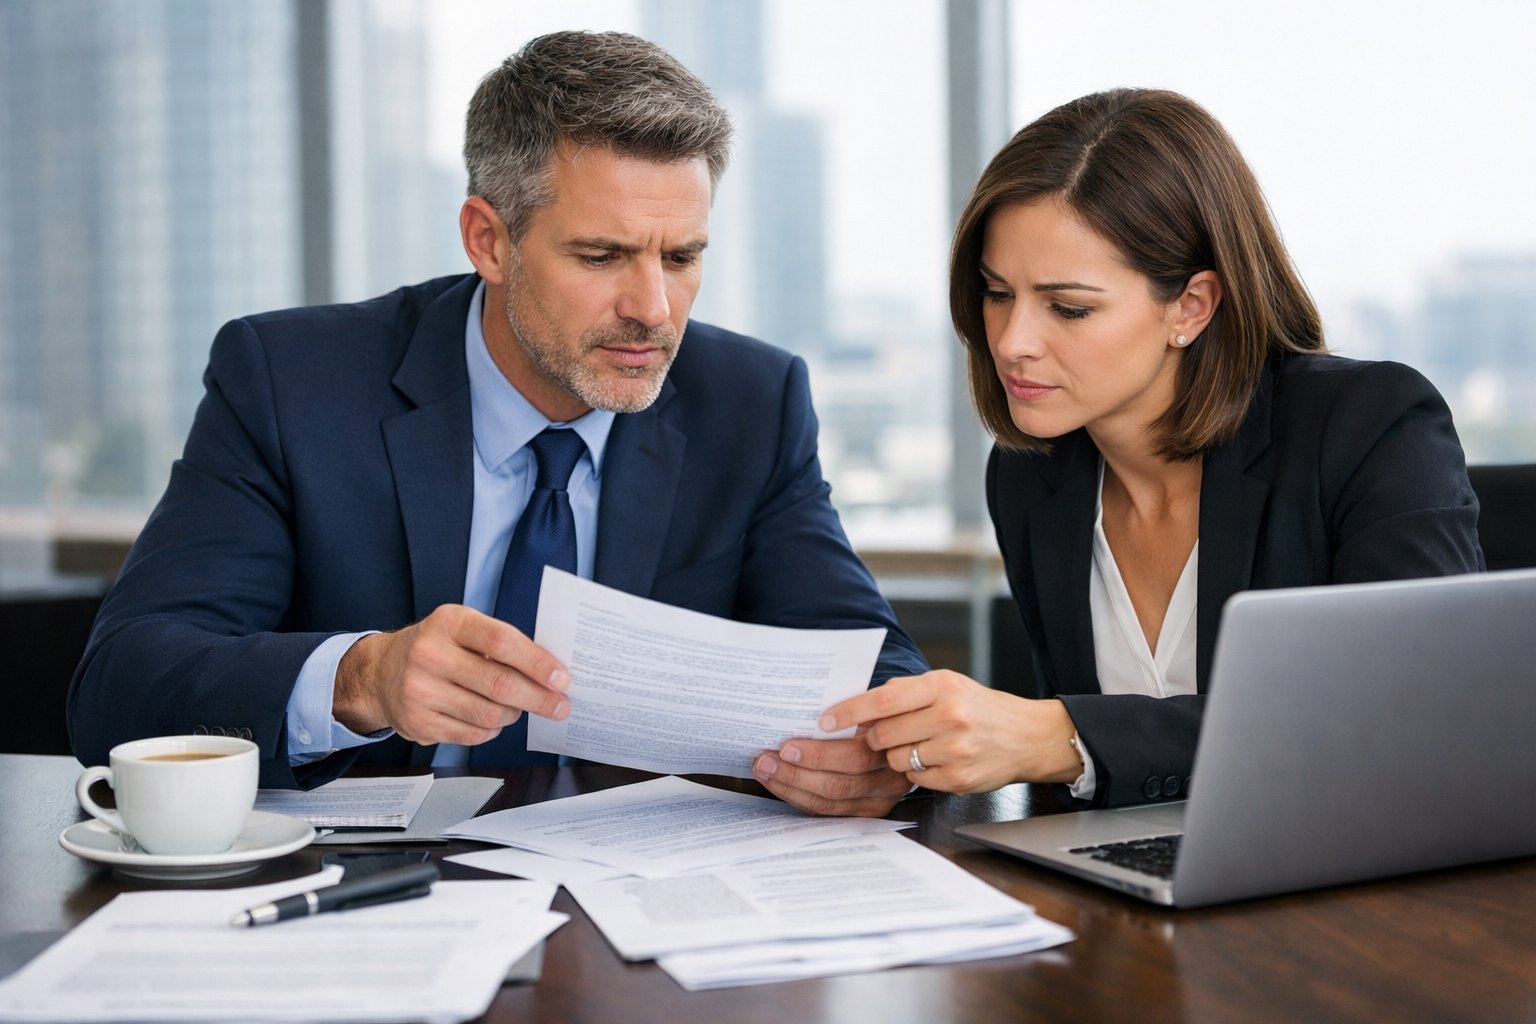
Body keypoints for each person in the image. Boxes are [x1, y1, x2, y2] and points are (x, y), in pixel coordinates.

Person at [67, 30, 926, 818]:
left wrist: (885, 753)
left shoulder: (751, 401)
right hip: (362, 897)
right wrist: (361, 679)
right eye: (601, 256)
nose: (654, 310)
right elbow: (119, 691)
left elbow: (872, 668)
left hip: (638, 898)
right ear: (488, 239)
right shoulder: (292, 382)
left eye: (682, 256)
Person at [816, 88, 1483, 809]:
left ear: (1191, 306)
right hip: (1137, 891)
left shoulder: (1368, 426)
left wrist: (1062, 737)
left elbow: (1416, 720)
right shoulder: (1033, 475)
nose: (1012, 343)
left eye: (1069, 308)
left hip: (1349, 888)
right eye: (997, 293)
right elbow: (1090, 797)